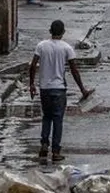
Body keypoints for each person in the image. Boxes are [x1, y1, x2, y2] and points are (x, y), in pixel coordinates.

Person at [29, 20, 93, 163]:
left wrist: (31, 84)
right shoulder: (66, 48)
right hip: (59, 89)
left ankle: (44, 144)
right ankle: (56, 151)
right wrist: (82, 89)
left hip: (44, 88)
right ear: (63, 32)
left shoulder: (41, 46)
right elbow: (74, 70)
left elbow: (33, 66)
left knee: (46, 117)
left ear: (50, 31)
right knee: (58, 120)